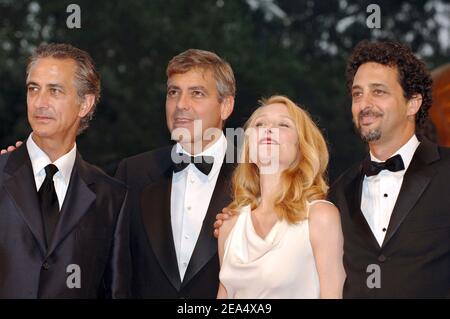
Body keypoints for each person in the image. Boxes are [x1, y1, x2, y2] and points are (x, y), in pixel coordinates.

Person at [0, 43, 130, 298]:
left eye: (55, 91)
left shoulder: (111, 198)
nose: (39, 102)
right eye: (33, 89)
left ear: (85, 104)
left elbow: (114, 292)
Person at [329, 41, 450, 298]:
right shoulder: (338, 191)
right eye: (357, 94)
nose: (364, 104)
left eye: (379, 92)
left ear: (412, 104)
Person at [114, 49, 236, 298]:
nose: (181, 105)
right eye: (173, 92)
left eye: (197, 93)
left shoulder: (257, 176)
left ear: (226, 106)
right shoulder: (132, 172)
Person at [217, 95, 345, 299]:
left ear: (302, 148)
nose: (269, 129)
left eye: (283, 125)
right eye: (260, 124)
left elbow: (333, 293)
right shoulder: (229, 225)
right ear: (249, 149)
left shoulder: (320, 216)